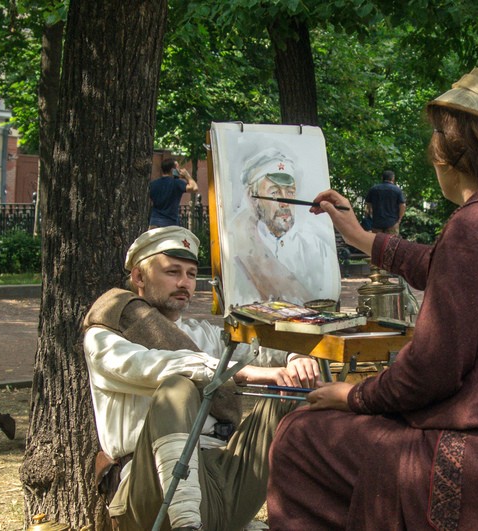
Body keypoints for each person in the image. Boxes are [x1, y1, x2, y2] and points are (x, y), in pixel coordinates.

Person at [266, 59, 478, 529]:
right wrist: (364, 239)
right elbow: (448, 268)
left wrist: (355, 396)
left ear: (450, 149)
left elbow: (427, 374)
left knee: (300, 437)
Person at [82, 226, 320, 530]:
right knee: (177, 388)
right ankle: (186, 523)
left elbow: (258, 350)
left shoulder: (201, 333)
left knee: (295, 390)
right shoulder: (106, 335)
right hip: (148, 490)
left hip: (223, 477)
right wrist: (239, 372)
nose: (184, 283)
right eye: (173, 272)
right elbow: (150, 365)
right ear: (139, 278)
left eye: (192, 274)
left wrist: (294, 357)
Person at [228, 147, 341, 306]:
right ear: (252, 198)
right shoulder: (236, 249)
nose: (285, 202)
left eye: (290, 192)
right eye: (274, 192)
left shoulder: (315, 247)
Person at [149, 158, 198, 228]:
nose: (179, 170)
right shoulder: (177, 183)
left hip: (154, 222)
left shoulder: (153, 184)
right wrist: (187, 176)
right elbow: (194, 188)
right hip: (170, 224)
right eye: (178, 168)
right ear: (173, 170)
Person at [364, 169, 406, 234]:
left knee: (377, 243)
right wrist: (399, 219)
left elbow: (368, 205)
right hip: (392, 223)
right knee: (391, 243)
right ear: (393, 178)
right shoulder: (397, 190)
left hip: (376, 223)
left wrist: (369, 217)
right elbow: (402, 205)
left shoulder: (373, 189)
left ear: (382, 178)